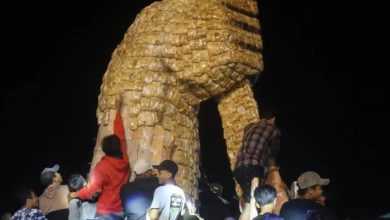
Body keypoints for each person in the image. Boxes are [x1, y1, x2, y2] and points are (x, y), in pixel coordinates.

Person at [233, 107, 283, 214]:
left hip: (239, 168)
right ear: (273, 119)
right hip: (254, 167)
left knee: (248, 201)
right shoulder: (274, 130)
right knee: (253, 201)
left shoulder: (249, 127)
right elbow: (274, 151)